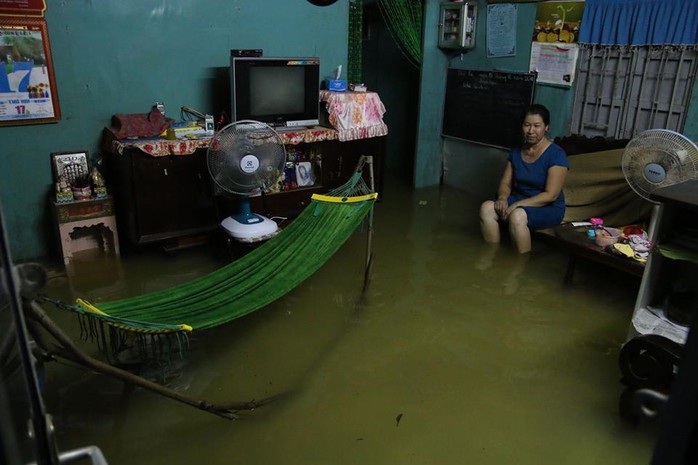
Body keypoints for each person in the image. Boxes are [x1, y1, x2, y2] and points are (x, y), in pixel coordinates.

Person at [479, 104, 569, 254]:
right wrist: (502, 198)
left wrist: (517, 205)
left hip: (548, 207)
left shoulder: (556, 154)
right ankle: (492, 256)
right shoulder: (516, 152)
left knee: (518, 216)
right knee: (487, 208)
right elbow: (505, 183)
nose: (530, 131)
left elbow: (551, 195)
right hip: (520, 199)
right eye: (527, 125)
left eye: (536, 126)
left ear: (546, 127)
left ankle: (520, 266)